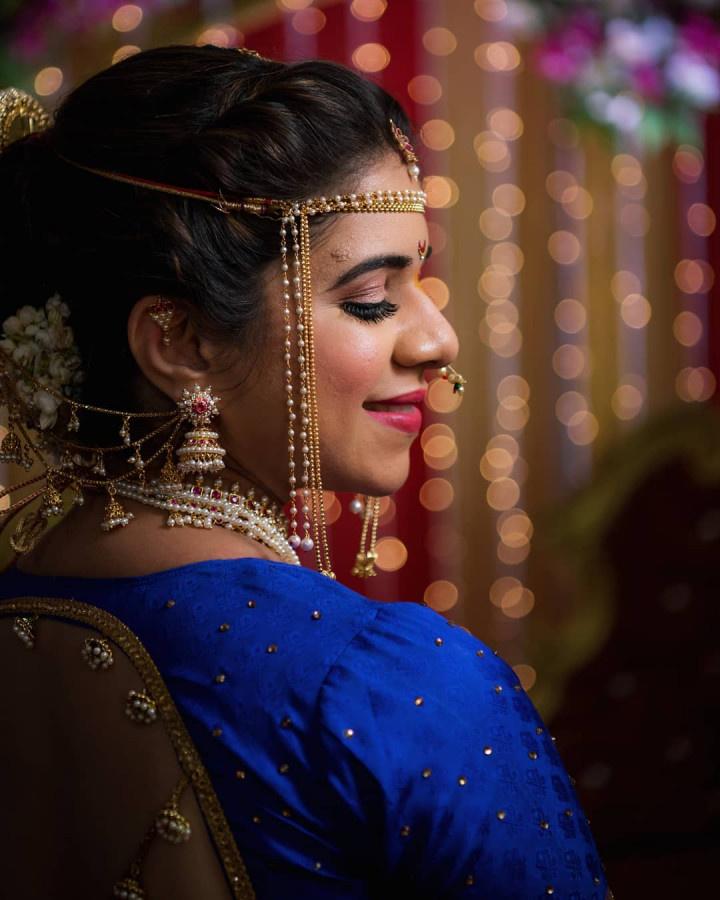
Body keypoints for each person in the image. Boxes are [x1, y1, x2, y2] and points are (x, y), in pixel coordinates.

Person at [0, 46, 610, 899]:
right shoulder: (397, 685)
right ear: (181, 343)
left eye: (421, 279)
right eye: (372, 298)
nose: (437, 340)